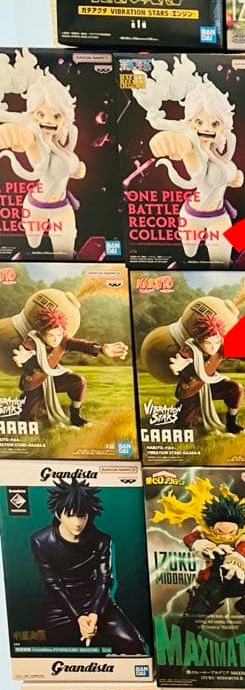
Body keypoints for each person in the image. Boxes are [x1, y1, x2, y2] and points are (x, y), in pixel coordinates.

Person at [30, 477, 146, 654]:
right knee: (40, 650)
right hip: (60, 603)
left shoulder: (102, 540)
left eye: (82, 516)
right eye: (70, 515)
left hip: (95, 600)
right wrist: (78, 617)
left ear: (89, 515)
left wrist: (94, 613)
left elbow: (104, 580)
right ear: (58, 515)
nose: (77, 523)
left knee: (135, 646)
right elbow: (53, 583)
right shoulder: (41, 541)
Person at [151, 477, 245, 632]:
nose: (226, 536)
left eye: (231, 532)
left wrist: (236, 559)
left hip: (239, 578)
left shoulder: (242, 536)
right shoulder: (205, 534)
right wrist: (201, 545)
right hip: (213, 582)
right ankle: (184, 637)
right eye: (220, 532)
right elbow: (189, 538)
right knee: (195, 614)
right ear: (212, 528)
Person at [147, 72, 242, 266]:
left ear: (223, 126)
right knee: (189, 254)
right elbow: (196, 174)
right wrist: (182, 148)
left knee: (221, 263)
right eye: (199, 122)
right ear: (190, 122)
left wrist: (235, 176)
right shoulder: (193, 148)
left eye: (214, 123)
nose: (206, 128)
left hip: (219, 216)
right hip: (191, 216)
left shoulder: (223, 149)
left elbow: (227, 174)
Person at [0, 60, 85, 258]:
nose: (48, 120)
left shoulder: (69, 137)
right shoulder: (34, 141)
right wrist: (24, 140)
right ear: (33, 115)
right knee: (33, 244)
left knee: (65, 256)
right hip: (34, 208)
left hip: (62, 208)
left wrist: (78, 169)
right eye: (41, 114)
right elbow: (38, 165)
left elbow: (74, 169)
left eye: (56, 116)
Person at [12, 303, 128, 429]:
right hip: (35, 384)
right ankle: (29, 402)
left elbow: (81, 345)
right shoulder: (32, 340)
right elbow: (26, 349)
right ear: (41, 332)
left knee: (78, 382)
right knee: (28, 421)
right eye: (50, 335)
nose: (55, 339)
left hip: (53, 378)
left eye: (58, 334)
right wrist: (23, 358)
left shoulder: (63, 340)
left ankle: (75, 416)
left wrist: (101, 349)